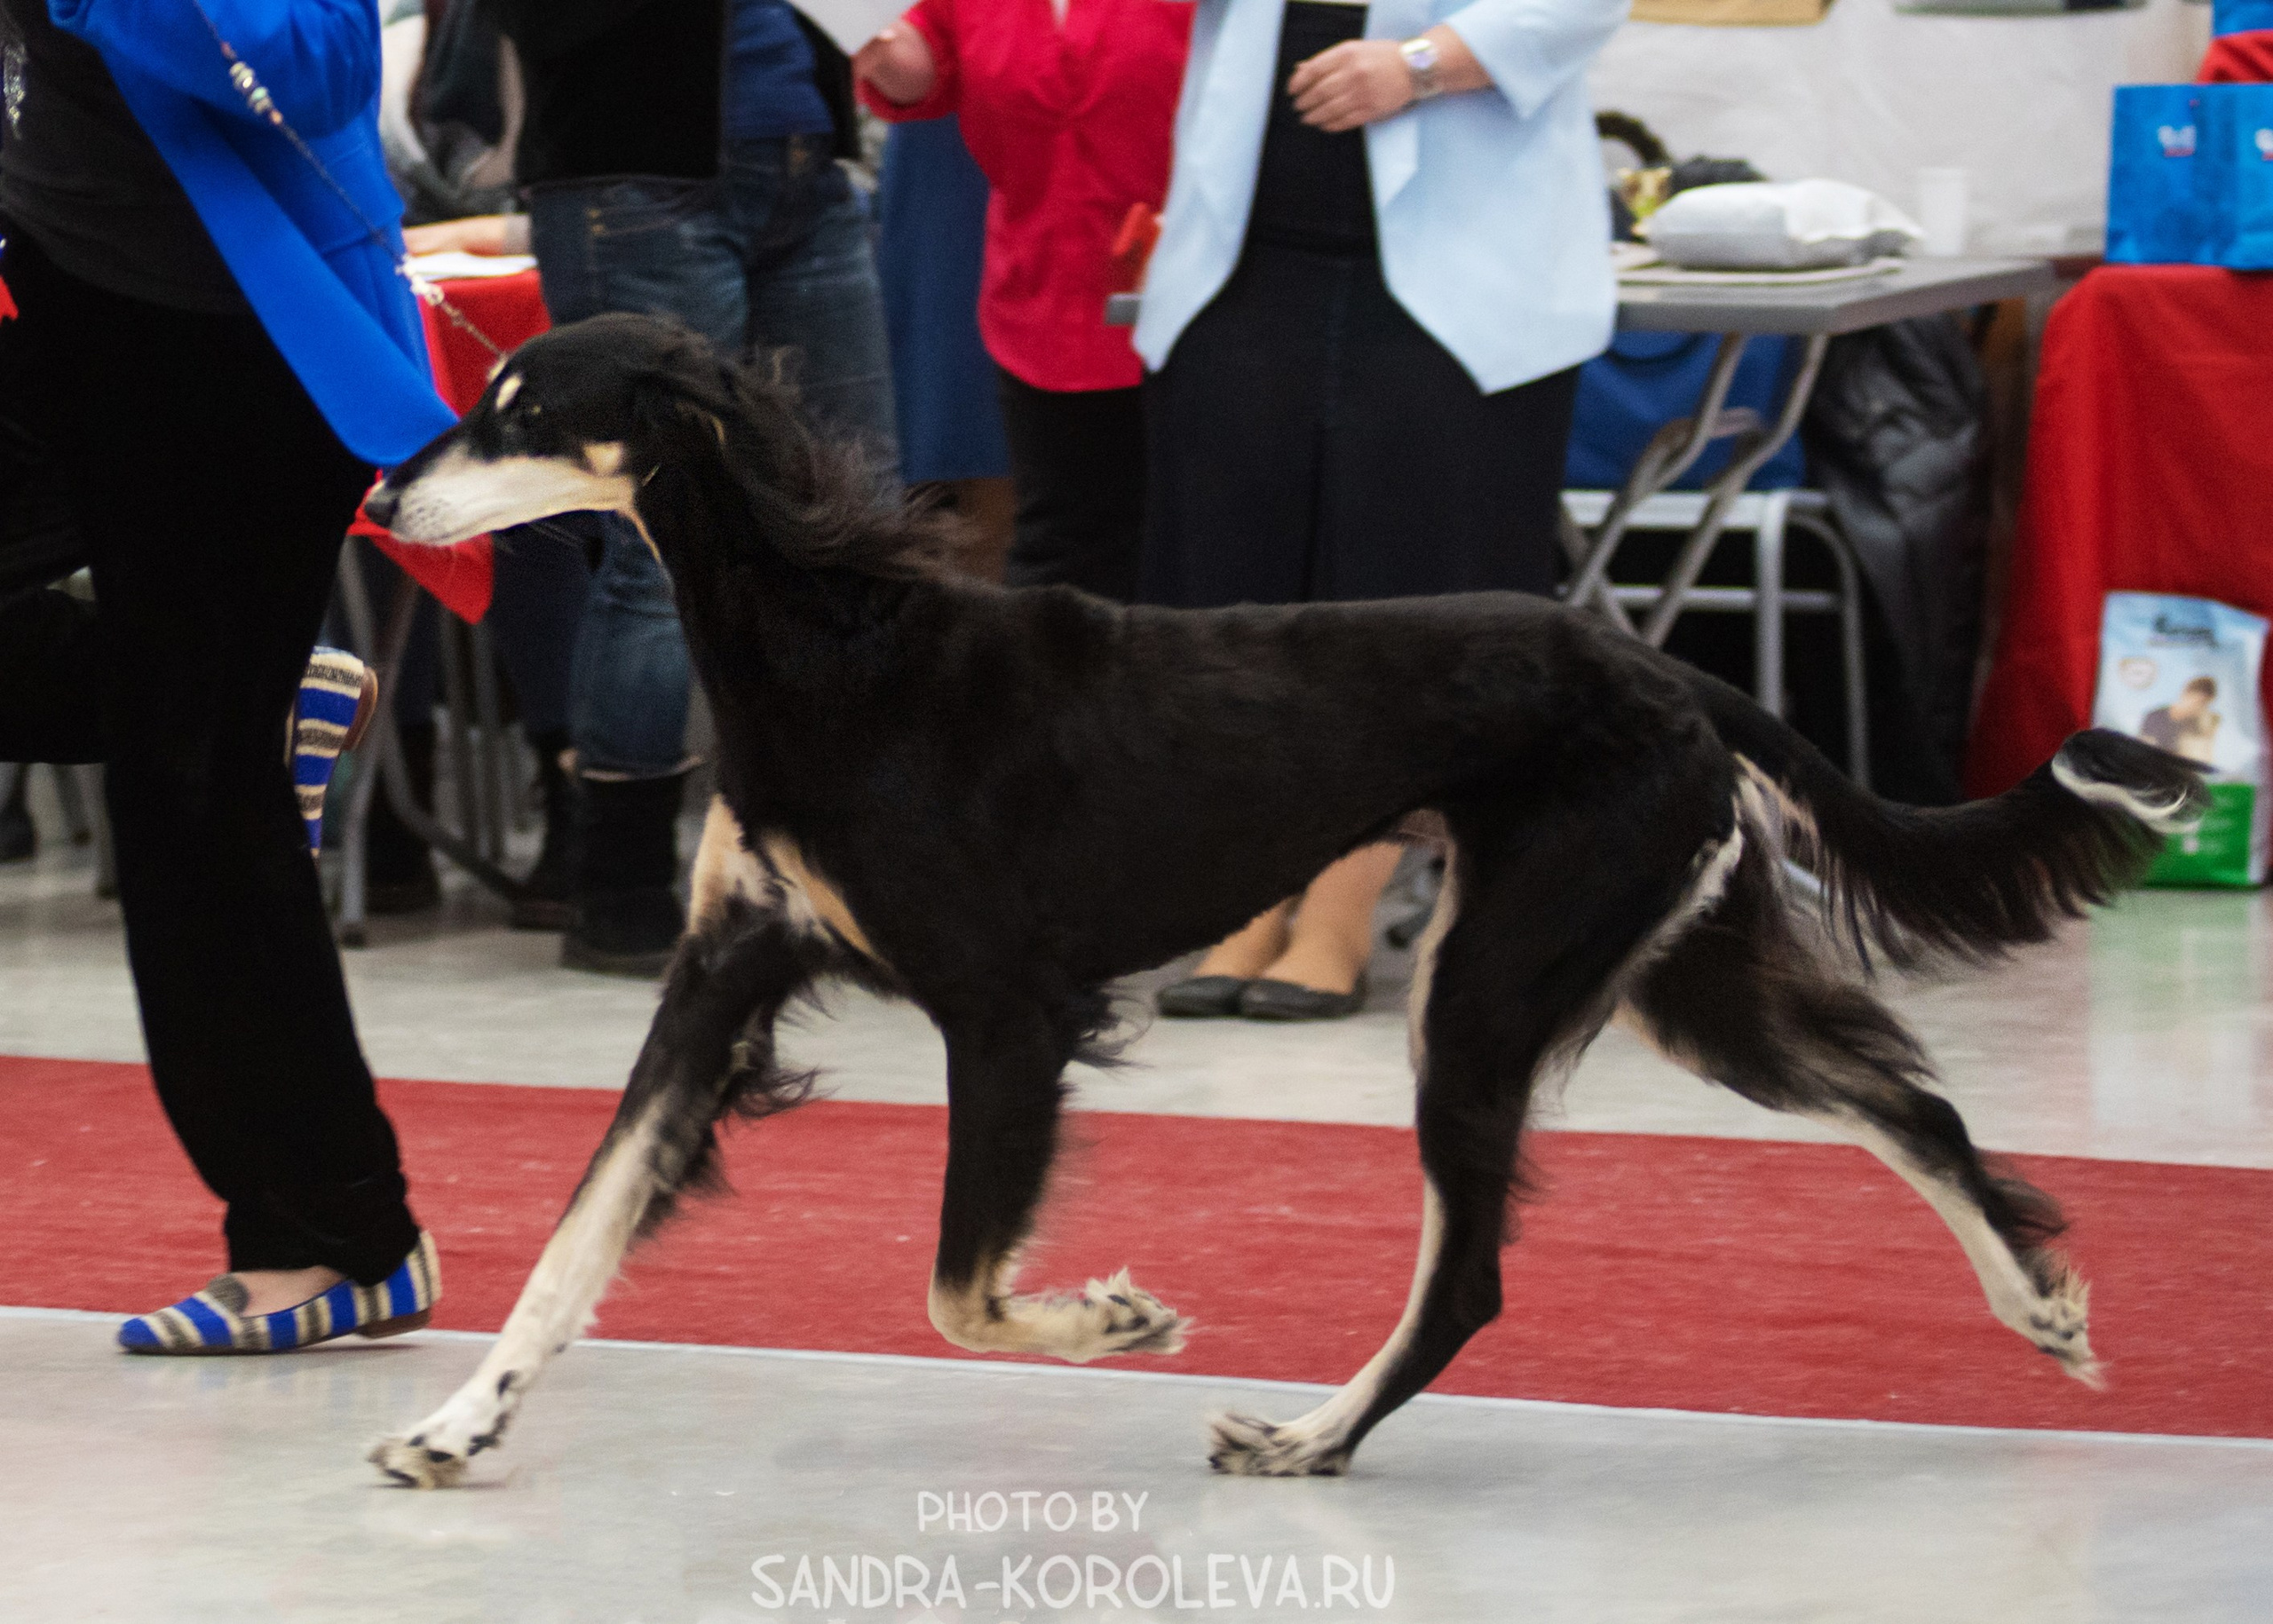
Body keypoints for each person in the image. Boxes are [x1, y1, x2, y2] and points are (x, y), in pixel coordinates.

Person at [0, 0, 453, 1349]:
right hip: (64, 308)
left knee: (192, 792)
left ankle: (339, 1234)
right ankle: (243, 701)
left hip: (233, 348)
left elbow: (317, 70)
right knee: (182, 733)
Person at [1137, 0, 1625, 1021]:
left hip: (1459, 279)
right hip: (1246, 254)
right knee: (1234, 599)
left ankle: (1342, 909)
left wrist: (1422, 64)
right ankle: (1246, 895)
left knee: (1404, 601)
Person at [487, 0, 899, 976]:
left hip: (806, 165)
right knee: (662, 536)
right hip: (634, 180)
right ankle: (620, 877)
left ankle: (864, 860)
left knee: (861, 508)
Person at [853, 0, 1190, 600]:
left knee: (1197, 552)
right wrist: (872, 43)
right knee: (1061, 553)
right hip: (1043, 297)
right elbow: (925, 62)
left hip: (1200, 300)